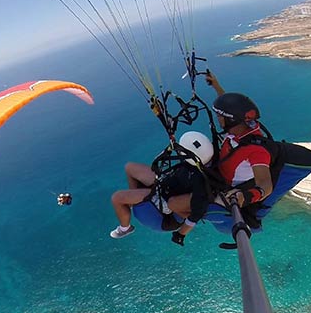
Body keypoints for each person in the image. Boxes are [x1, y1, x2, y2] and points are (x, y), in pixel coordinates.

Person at [168, 76, 273, 246]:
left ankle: (195, 219)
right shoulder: (240, 129)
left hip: (223, 189)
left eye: (220, 116)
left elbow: (265, 185)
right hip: (216, 172)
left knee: (173, 203)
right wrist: (216, 86)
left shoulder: (257, 150)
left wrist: (245, 196)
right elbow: (231, 109)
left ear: (230, 119)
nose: (218, 118)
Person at [109, 131, 214, 239]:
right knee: (130, 167)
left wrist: (181, 234)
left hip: (165, 205)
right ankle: (133, 201)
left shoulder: (198, 181)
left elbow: (195, 213)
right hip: (165, 184)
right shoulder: (199, 161)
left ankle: (125, 228)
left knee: (116, 198)